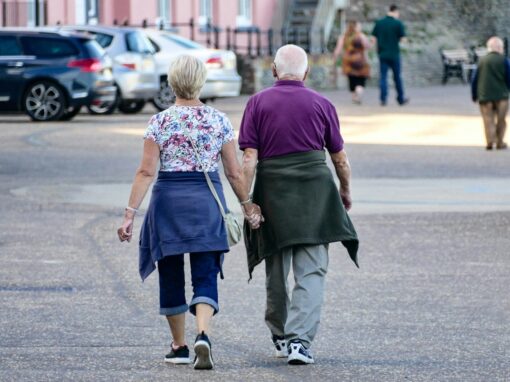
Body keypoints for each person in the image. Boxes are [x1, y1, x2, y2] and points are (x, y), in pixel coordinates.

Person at [117, 55, 262, 370]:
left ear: (171, 82)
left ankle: (179, 346)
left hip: (168, 204)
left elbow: (145, 172)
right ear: (201, 82)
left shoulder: (160, 121)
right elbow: (234, 173)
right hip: (206, 204)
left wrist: (129, 213)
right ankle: (204, 335)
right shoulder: (219, 120)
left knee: (170, 274)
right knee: (205, 274)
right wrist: (247, 206)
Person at [239, 44, 359, 365]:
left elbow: (249, 158)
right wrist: (344, 191)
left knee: (275, 269)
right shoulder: (322, 103)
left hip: (272, 193)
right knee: (312, 271)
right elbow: (340, 159)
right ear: (306, 72)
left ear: (274, 71)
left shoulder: (257, 103)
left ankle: (280, 335)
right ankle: (299, 343)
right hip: (314, 195)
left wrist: (247, 201)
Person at [471, 36, 510, 150]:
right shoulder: (504, 60)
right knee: (501, 120)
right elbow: (509, 77)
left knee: (488, 119)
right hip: (501, 96)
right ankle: (500, 142)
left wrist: (474, 95)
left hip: (485, 96)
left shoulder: (481, 61)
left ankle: (489, 141)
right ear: (498, 47)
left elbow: (475, 79)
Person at [371, 4, 409, 106]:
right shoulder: (398, 23)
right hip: (394, 54)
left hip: (382, 54)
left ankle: (383, 99)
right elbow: (403, 39)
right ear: (396, 11)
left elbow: (373, 39)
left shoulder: (379, 23)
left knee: (383, 77)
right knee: (397, 77)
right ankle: (400, 98)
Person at [333, 20, 371, 104]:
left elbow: (338, 49)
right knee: (361, 78)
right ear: (356, 27)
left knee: (352, 78)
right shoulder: (361, 36)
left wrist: (335, 58)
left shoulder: (343, 36)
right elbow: (367, 46)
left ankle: (354, 96)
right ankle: (359, 90)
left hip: (348, 60)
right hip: (360, 59)